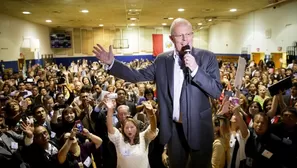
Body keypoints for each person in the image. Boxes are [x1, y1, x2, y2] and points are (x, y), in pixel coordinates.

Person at [93, 18, 222, 168]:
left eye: (188, 34)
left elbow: (216, 90)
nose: (185, 39)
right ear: (171, 38)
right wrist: (112, 64)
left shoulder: (207, 57)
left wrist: (196, 70)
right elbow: (137, 75)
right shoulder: (162, 60)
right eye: (180, 36)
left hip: (199, 128)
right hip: (174, 129)